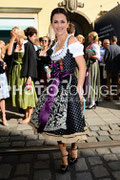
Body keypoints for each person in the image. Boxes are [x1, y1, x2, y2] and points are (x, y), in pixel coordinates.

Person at [31, 8, 86, 172]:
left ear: (68, 23)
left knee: (74, 121)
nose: (59, 25)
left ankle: (74, 148)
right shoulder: (54, 45)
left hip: (69, 87)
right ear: (52, 24)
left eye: (63, 21)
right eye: (56, 21)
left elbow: (82, 68)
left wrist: (79, 89)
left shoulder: (72, 41)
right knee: (53, 124)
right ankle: (63, 156)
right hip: (54, 88)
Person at [6, 26, 38, 124]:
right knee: (21, 95)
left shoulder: (28, 45)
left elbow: (32, 61)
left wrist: (29, 77)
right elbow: (9, 54)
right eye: (11, 34)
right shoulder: (15, 44)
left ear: (19, 33)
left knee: (27, 94)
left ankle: (29, 117)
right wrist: (12, 40)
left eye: (13, 34)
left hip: (25, 72)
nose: (12, 35)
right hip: (16, 72)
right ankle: (26, 114)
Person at [85, 31, 100, 109]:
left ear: (93, 37)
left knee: (92, 82)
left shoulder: (95, 46)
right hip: (90, 64)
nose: (88, 38)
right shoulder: (91, 45)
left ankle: (93, 102)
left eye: (90, 36)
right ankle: (92, 100)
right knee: (89, 82)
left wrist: (90, 54)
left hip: (93, 65)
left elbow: (98, 57)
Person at [104, 36, 120, 100]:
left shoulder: (108, 48)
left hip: (109, 67)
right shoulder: (119, 48)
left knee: (109, 81)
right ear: (116, 41)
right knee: (115, 81)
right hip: (117, 68)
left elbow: (105, 58)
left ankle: (108, 96)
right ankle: (115, 95)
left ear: (111, 41)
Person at [0, 40, 9, 126]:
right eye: (2, 44)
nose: (3, 46)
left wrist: (3, 66)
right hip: (1, 77)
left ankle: (3, 116)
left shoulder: (2, 55)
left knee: (2, 98)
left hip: (2, 77)